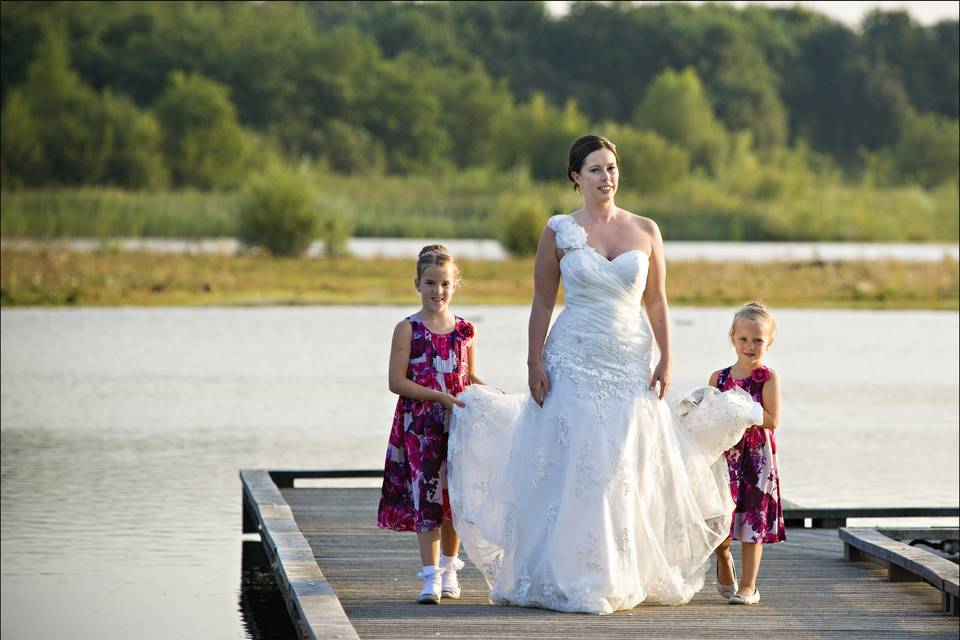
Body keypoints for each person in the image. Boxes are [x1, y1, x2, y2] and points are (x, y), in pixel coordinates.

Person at [447, 134, 761, 614]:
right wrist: (533, 361)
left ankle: (620, 571)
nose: (606, 177)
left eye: (611, 168)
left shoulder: (645, 229)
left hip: (630, 361)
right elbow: (541, 302)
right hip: (571, 359)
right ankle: (569, 573)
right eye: (595, 169)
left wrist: (666, 357)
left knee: (621, 467)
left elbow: (656, 299)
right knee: (578, 462)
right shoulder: (559, 231)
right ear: (576, 177)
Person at [376, 245, 485, 604]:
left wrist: (491, 393)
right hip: (420, 426)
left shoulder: (466, 330)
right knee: (428, 498)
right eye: (430, 283)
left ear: (455, 286)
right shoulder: (407, 329)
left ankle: (451, 569)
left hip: (457, 423)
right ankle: (430, 577)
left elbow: (468, 376)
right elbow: (396, 381)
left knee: (454, 496)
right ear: (417, 284)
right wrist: (437, 397)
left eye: (445, 284)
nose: (438, 291)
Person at [711, 302, 784, 606]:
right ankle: (723, 556)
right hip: (724, 456)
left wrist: (745, 410)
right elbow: (709, 417)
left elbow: (772, 419)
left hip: (756, 458)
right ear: (732, 339)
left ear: (769, 343)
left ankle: (748, 586)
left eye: (758, 340)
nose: (750, 346)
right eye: (743, 339)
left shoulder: (767, 377)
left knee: (753, 522)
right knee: (718, 518)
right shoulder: (719, 378)